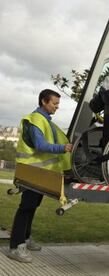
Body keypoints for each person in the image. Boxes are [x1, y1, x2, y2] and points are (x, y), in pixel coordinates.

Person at [7, 89, 72, 263]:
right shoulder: (36, 119)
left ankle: (26, 239)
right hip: (32, 171)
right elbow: (40, 145)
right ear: (44, 101)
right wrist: (62, 148)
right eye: (55, 103)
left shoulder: (45, 120)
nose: (57, 107)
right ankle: (15, 246)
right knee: (26, 207)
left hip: (40, 172)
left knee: (33, 206)